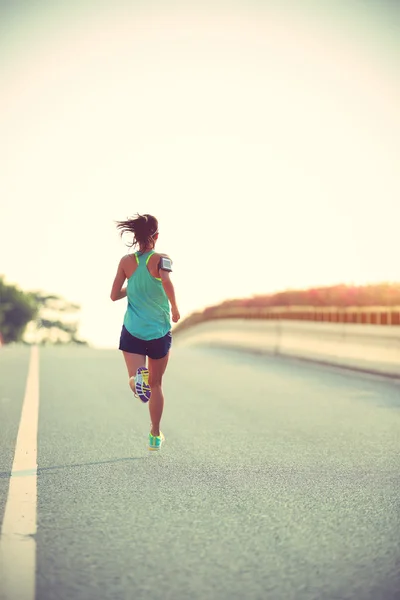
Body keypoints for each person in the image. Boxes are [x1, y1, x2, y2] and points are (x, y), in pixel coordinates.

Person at [110, 213, 180, 451]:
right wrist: (176, 309)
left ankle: (135, 381)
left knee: (138, 379)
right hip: (158, 330)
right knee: (157, 384)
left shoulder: (125, 262)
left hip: (132, 330)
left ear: (136, 237)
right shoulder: (162, 258)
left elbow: (113, 295)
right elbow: (167, 282)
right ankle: (154, 434)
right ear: (156, 236)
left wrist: (134, 285)